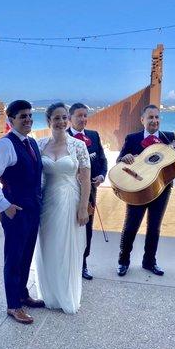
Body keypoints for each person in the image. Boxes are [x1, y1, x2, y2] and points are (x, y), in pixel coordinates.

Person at [0, 100, 45, 324]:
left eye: (29, 115)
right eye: (22, 116)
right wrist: (4, 205)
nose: (28, 119)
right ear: (11, 120)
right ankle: (13, 305)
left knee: (26, 254)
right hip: (16, 211)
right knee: (14, 258)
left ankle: (22, 294)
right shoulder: (5, 145)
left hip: (33, 209)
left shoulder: (32, 143)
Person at [34, 103, 90, 314]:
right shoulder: (39, 145)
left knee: (67, 248)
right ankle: (49, 294)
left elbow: (85, 179)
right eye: (56, 118)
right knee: (48, 246)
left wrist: (83, 208)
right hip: (46, 202)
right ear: (48, 121)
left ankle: (66, 294)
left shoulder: (78, 146)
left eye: (64, 117)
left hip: (70, 201)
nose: (61, 122)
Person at [116, 104, 175, 277]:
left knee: (154, 227)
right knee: (131, 226)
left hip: (161, 187)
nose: (154, 121)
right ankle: (123, 261)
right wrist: (124, 158)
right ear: (142, 120)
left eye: (157, 117)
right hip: (137, 188)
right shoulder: (132, 138)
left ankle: (149, 261)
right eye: (150, 117)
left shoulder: (169, 137)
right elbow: (119, 160)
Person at [67, 103, 107, 280]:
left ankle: (83, 264)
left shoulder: (93, 136)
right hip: (69, 191)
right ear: (70, 119)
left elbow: (102, 160)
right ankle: (69, 263)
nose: (83, 119)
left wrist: (101, 176)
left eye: (85, 115)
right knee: (69, 227)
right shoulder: (64, 138)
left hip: (90, 191)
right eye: (79, 116)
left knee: (87, 228)